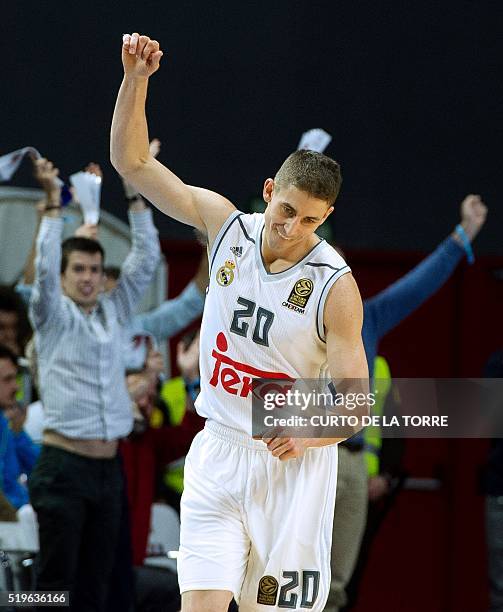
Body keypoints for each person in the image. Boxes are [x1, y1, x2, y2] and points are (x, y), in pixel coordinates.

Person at [111, 32, 369, 612]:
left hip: (292, 468)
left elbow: (356, 406)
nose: (290, 227)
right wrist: (136, 79)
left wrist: (309, 431)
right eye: (285, 210)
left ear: (325, 217)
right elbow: (132, 162)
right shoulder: (225, 226)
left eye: (309, 220)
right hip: (221, 450)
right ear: (269, 190)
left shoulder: (336, 288)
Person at [326, 193, 488, 611]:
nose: (339, 279)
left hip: (355, 464)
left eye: (343, 272)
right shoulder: (295, 323)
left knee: (338, 584)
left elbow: (418, 285)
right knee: (295, 575)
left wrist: (463, 235)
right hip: (308, 457)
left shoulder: (367, 318)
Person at [27, 155, 160, 610]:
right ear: (65, 278)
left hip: (109, 470)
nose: (88, 278)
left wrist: (134, 191)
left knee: (95, 589)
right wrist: (52, 206)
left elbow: (146, 260)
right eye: (78, 270)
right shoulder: (51, 315)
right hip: (62, 467)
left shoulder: (114, 310)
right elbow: (42, 273)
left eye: (95, 271)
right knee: (50, 588)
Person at [0, 344, 39, 510]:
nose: (16, 387)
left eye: (15, 379)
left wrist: (17, 433)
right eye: (7, 380)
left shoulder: (5, 424)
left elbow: (37, 468)